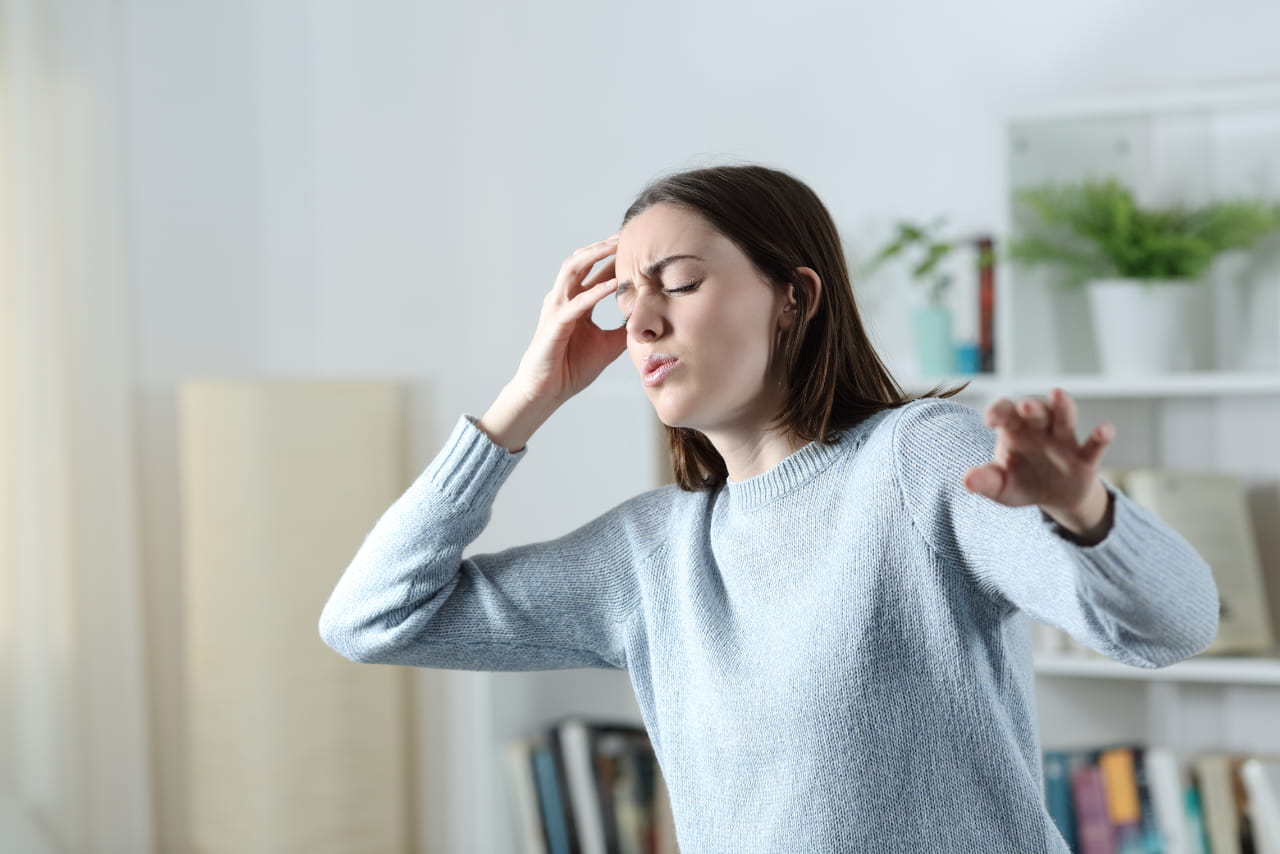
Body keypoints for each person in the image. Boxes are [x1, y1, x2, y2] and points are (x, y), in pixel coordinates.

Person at [319, 164, 1219, 852]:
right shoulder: (651, 555)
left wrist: (1083, 509)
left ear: (794, 297)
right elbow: (371, 619)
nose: (640, 322)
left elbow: (1170, 626)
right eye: (625, 297)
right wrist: (525, 399)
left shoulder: (915, 460)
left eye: (677, 281)